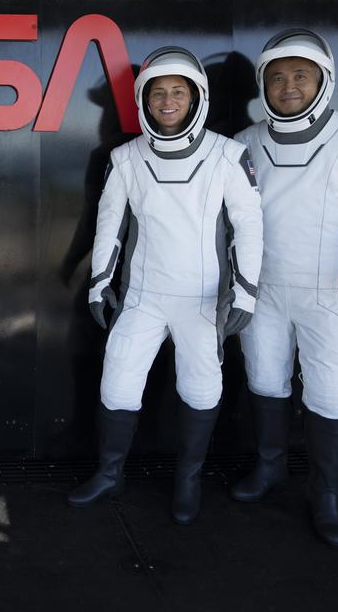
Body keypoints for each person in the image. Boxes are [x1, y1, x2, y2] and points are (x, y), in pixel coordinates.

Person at [70, 47, 262, 524]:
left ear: (196, 98)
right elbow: (109, 226)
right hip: (142, 297)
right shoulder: (125, 158)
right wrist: (99, 283)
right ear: (144, 100)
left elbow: (248, 227)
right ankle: (110, 473)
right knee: (117, 384)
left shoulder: (228, 155)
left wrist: (244, 291)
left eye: (178, 91)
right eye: (158, 92)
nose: (168, 101)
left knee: (201, 389)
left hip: (202, 300)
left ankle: (188, 481)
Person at [231, 28, 338, 548]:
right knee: (265, 380)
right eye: (277, 77)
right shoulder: (244, 142)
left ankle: (326, 493)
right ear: (263, 85)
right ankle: (270, 469)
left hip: (327, 293)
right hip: (261, 290)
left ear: (324, 80)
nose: (288, 86)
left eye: (301, 76)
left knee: (330, 392)